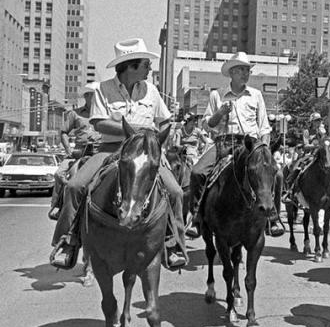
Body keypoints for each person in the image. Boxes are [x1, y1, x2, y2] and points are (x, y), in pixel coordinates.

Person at [49, 38, 188, 271]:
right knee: (75, 186)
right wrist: (141, 130)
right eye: (145, 64)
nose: (150, 68)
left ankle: (173, 244)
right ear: (131, 66)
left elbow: (165, 122)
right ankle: (68, 242)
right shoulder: (104, 89)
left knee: (175, 191)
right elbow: (99, 123)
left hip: (145, 153)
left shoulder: (152, 91)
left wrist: (158, 146)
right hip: (110, 150)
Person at [185, 51, 284, 238]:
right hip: (224, 144)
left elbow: (264, 127)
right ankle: (197, 217)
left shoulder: (256, 95)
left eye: (247, 70)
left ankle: (273, 217)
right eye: (240, 70)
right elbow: (207, 125)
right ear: (231, 73)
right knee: (197, 172)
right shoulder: (217, 95)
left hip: (251, 146)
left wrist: (265, 151)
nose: (245, 73)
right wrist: (220, 113)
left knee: (277, 174)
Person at [49, 82, 101, 221]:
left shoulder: (105, 114)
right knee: (59, 173)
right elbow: (64, 132)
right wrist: (69, 150)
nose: (97, 99)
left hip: (100, 151)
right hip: (80, 151)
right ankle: (58, 206)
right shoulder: (75, 114)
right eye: (93, 95)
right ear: (87, 96)